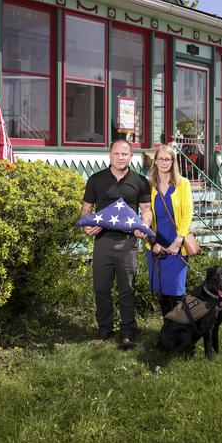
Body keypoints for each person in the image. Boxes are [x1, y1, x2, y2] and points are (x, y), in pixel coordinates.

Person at [80, 140, 152, 349]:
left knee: (127, 289)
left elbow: (146, 209)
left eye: (125, 154)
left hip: (128, 243)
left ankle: (127, 332)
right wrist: (87, 225)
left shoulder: (140, 181)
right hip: (102, 242)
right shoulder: (96, 180)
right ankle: (104, 330)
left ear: (131, 157)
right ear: (110, 155)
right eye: (117, 153)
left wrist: (143, 224)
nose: (120, 157)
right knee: (101, 288)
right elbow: (85, 209)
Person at [145, 144, 194, 316]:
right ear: (155, 162)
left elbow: (188, 213)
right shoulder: (149, 185)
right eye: (161, 159)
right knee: (161, 294)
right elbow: (146, 214)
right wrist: (153, 242)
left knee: (177, 294)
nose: (164, 162)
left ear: (173, 162)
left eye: (168, 159)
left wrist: (178, 241)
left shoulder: (183, 184)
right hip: (156, 245)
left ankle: (180, 332)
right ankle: (168, 332)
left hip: (176, 247)